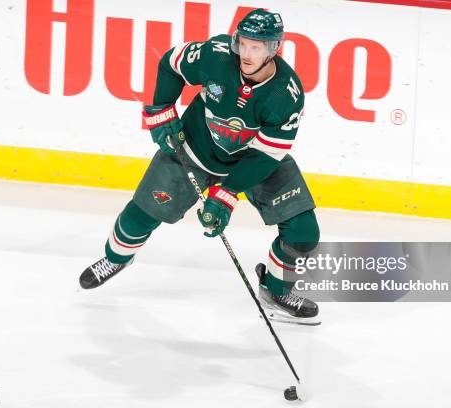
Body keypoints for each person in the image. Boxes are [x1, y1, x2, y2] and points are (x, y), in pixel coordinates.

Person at [79, 9, 321, 325]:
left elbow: (266, 154)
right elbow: (170, 63)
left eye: (256, 47)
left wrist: (228, 193)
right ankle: (115, 259)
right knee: (142, 214)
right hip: (193, 148)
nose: (246, 55)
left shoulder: (287, 93)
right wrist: (161, 109)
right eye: (243, 44)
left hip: (253, 161)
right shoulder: (215, 56)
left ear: (274, 48)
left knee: (304, 232)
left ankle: (276, 291)